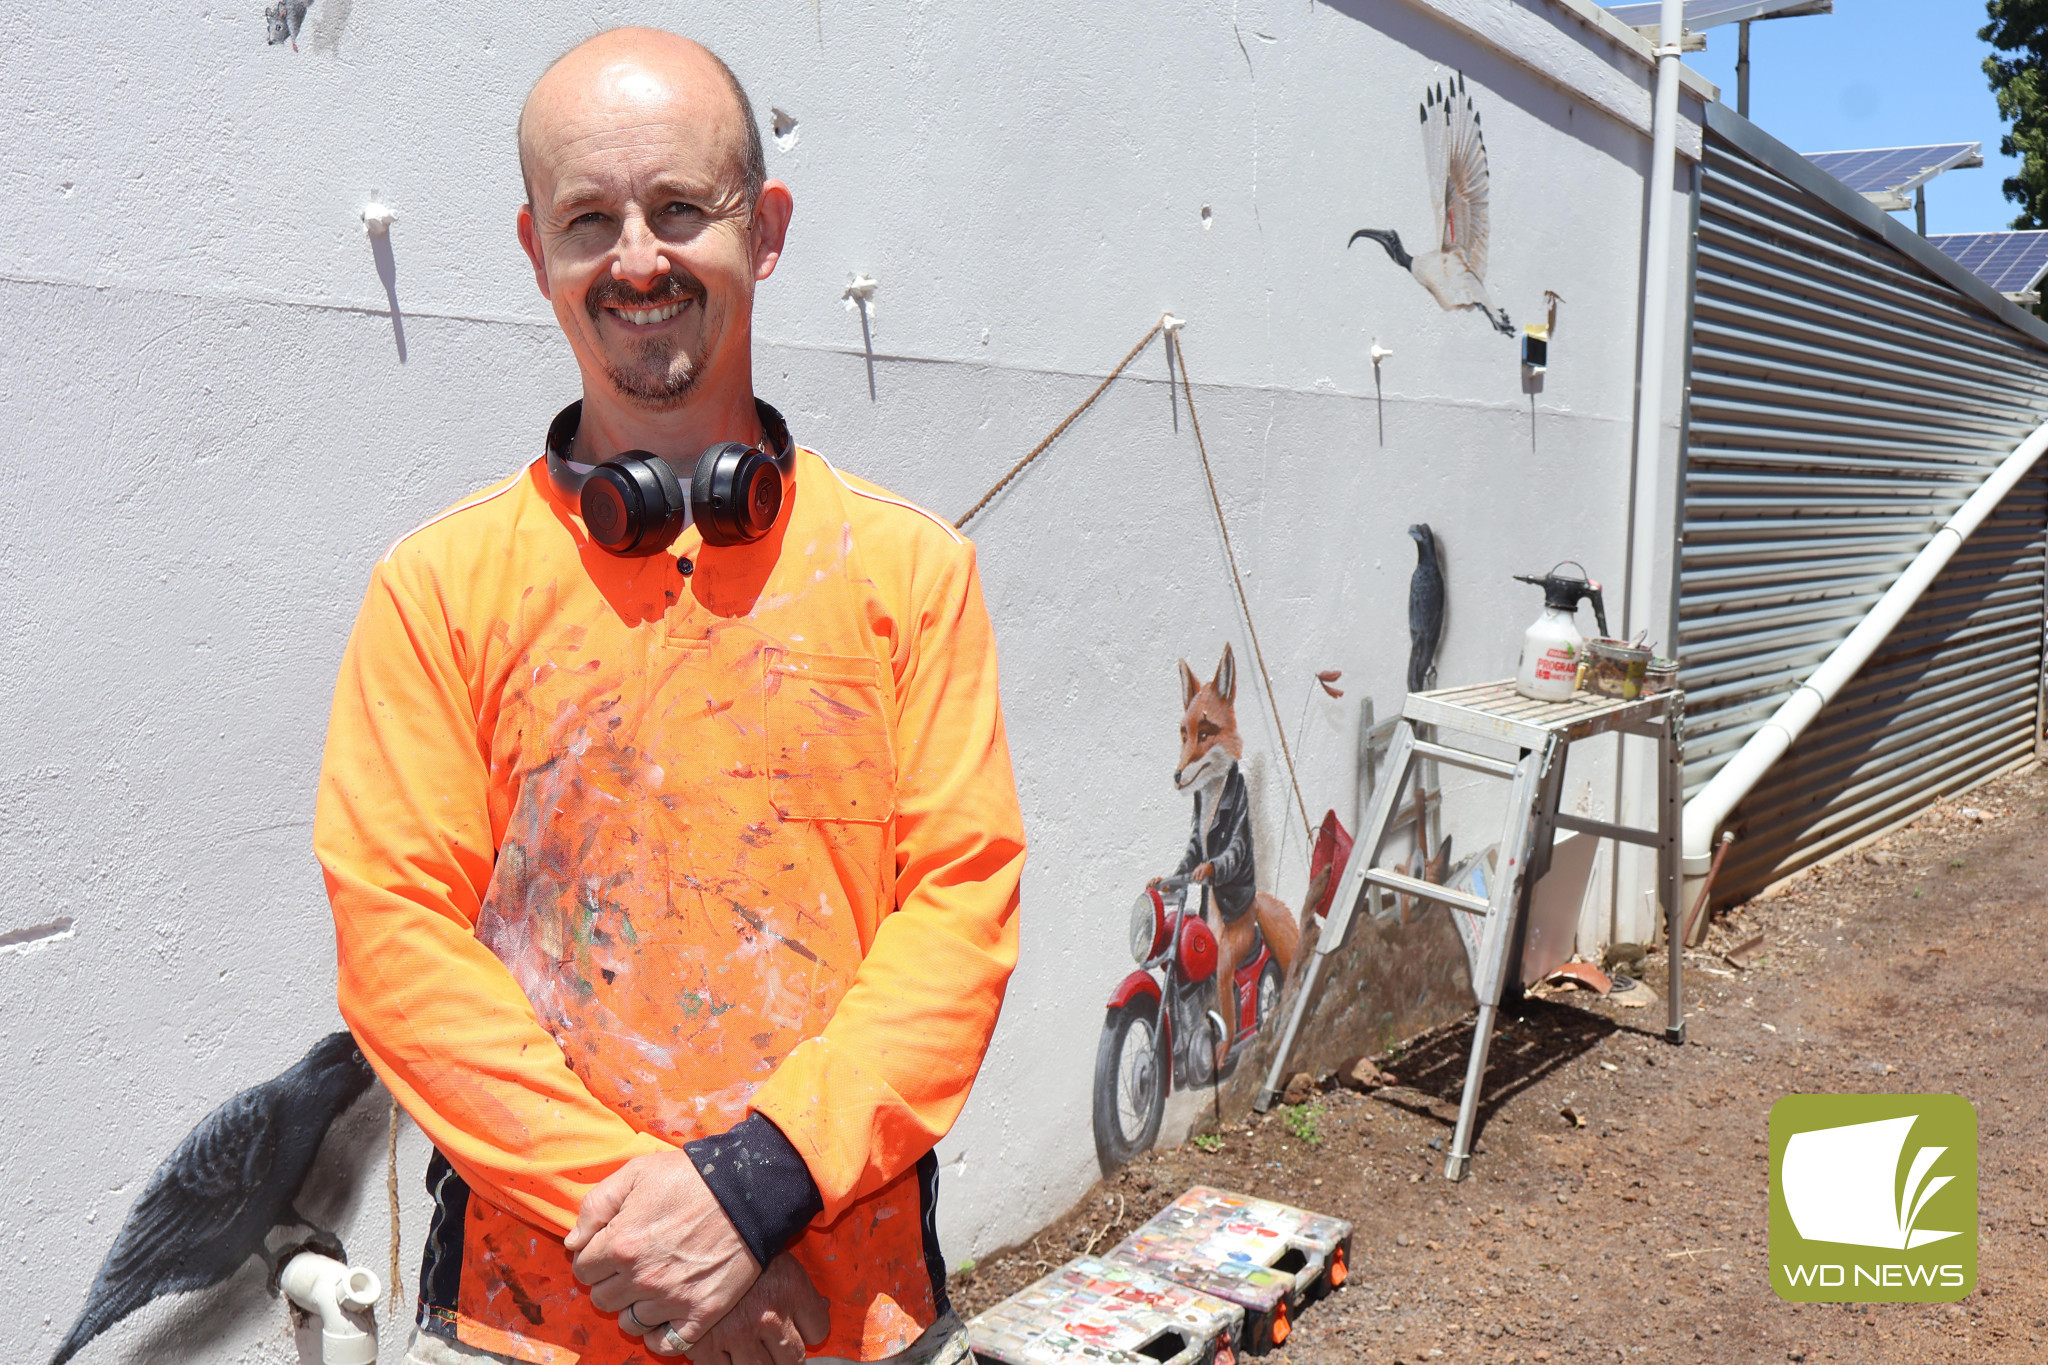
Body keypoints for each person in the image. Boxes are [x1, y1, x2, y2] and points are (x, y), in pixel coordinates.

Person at [315, 28, 1025, 1365]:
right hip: (530, 1320)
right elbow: (397, 939)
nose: (637, 258)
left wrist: (759, 1184)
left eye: (680, 209)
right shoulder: (438, 589)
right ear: (538, 253)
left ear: (765, 229)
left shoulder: (913, 573)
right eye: (591, 219)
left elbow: (960, 909)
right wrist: (663, 1238)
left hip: (844, 1311)